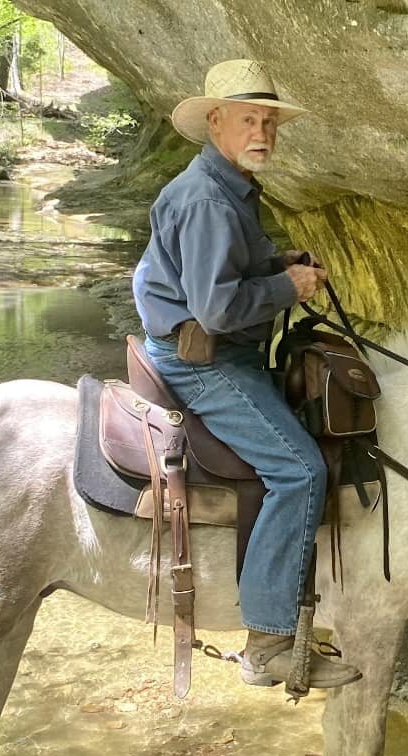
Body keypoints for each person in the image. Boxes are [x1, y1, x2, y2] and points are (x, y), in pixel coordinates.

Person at [132, 59, 361, 691]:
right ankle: (267, 643)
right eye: (248, 120)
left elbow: (227, 268)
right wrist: (287, 285)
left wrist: (277, 263)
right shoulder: (209, 198)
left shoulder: (224, 184)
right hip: (204, 358)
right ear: (216, 122)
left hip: (205, 343)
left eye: (268, 121)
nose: (262, 132)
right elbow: (216, 307)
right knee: (299, 469)